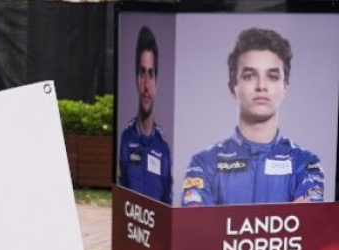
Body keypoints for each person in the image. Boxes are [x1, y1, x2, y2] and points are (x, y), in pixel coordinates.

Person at [181, 28, 324, 206]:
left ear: (285, 87)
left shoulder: (306, 163)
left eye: (272, 76)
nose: (261, 86)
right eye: (249, 76)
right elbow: (197, 223)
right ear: (232, 86)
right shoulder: (203, 164)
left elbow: (309, 220)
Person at [117, 26, 171, 205]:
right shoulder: (126, 140)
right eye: (142, 73)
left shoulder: (163, 149)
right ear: (136, 79)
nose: (146, 85)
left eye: (151, 74)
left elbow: (167, 204)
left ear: (156, 83)